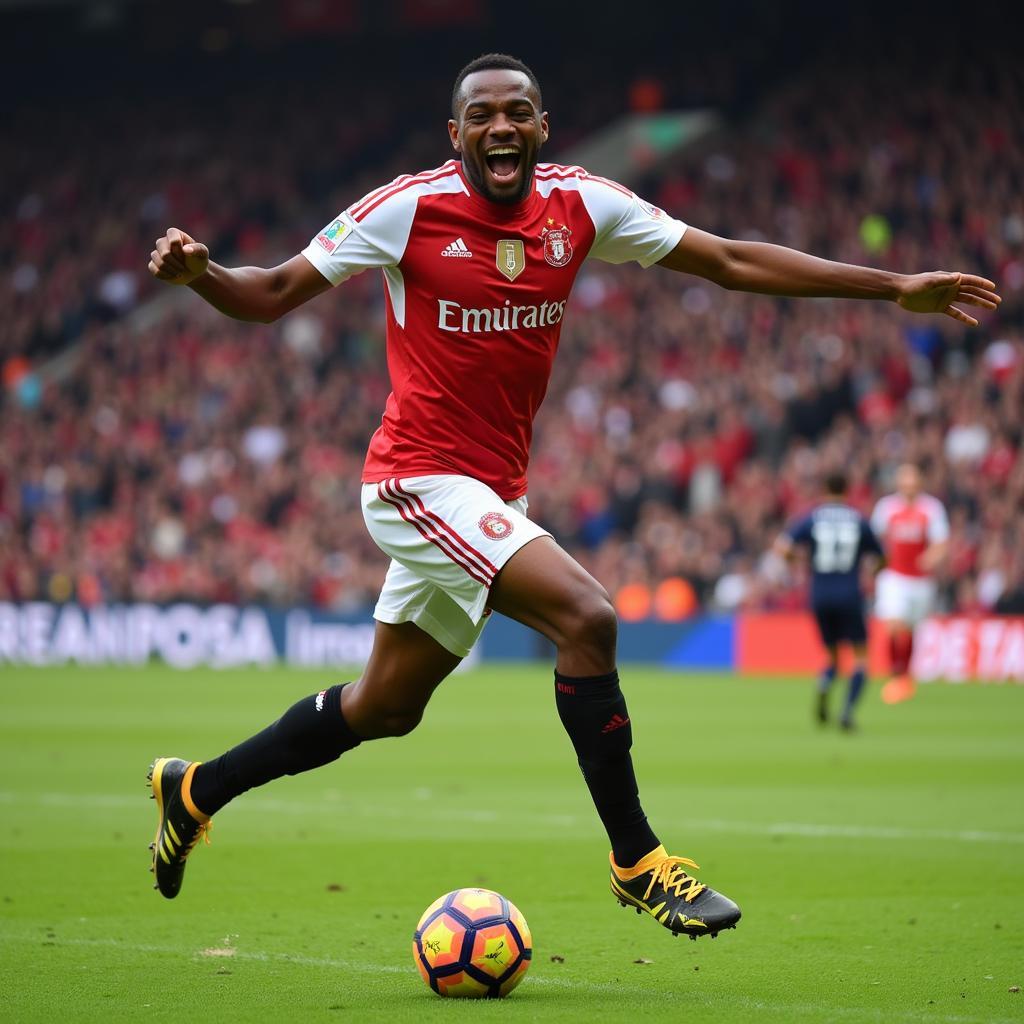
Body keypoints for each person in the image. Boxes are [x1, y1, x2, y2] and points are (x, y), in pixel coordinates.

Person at [145, 53, 1000, 938]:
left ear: (543, 126)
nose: (501, 127)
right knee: (587, 618)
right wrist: (204, 274)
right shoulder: (406, 208)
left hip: (490, 494)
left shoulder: (583, 204)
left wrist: (893, 285)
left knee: (384, 708)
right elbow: (274, 291)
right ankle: (639, 863)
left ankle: (197, 790)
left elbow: (732, 260)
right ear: (457, 134)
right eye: (482, 115)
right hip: (414, 480)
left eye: (519, 112)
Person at [773, 471, 883, 730]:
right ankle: (847, 710)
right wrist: (871, 572)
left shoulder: (812, 517)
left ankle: (824, 684)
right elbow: (882, 556)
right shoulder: (858, 520)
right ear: (847, 491)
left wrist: (800, 562)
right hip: (849, 594)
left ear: (824, 490)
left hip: (820, 595)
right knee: (860, 657)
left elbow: (782, 546)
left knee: (832, 656)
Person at [870, 464, 950, 704]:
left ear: (919, 482)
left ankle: (904, 676)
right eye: (904, 480)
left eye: (912, 480)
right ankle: (897, 674)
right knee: (894, 624)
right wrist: (877, 561)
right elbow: (874, 538)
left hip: (921, 581)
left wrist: (932, 557)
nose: (908, 485)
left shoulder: (932, 508)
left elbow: (941, 542)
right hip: (894, 576)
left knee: (911, 629)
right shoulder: (886, 507)